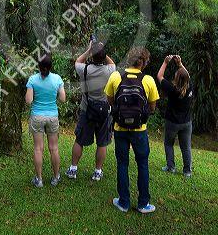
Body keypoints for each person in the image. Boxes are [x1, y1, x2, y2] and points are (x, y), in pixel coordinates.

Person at [105, 47, 159, 214]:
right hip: (140, 129)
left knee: (122, 163)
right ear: (142, 62)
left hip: (120, 128)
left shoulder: (116, 76)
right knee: (142, 164)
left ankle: (123, 202)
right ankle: (143, 204)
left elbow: (110, 99)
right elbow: (152, 106)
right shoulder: (148, 80)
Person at [66, 41, 115, 181]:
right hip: (104, 111)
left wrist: (89, 50)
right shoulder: (109, 71)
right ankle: (98, 171)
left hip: (87, 109)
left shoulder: (85, 69)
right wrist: (101, 49)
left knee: (79, 140)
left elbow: (78, 61)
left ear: (92, 57)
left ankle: (73, 169)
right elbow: (111, 63)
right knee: (102, 143)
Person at [26, 54, 66, 187]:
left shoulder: (32, 79)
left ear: (38, 66)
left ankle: (39, 180)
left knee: (38, 149)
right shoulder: (57, 79)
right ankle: (55, 178)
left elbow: (29, 101)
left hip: (37, 116)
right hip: (52, 116)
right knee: (54, 148)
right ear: (50, 67)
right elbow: (62, 99)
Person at [157, 55, 193, 177]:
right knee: (186, 147)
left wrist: (165, 62)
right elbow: (186, 75)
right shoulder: (190, 86)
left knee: (168, 144)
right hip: (186, 122)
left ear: (176, 78)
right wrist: (180, 63)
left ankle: (171, 167)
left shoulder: (172, 88)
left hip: (172, 122)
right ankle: (187, 171)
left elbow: (159, 76)